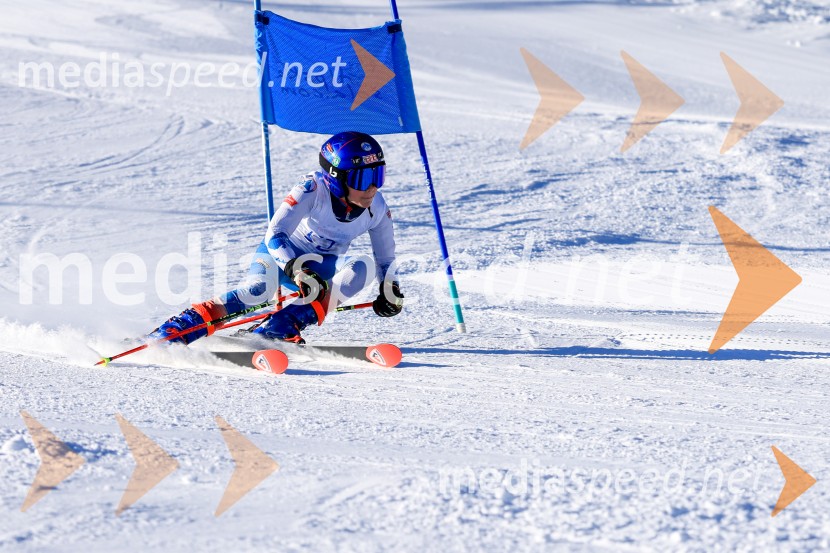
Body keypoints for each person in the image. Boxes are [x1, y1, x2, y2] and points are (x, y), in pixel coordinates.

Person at [149, 131, 404, 344]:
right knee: (257, 291)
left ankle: (281, 326)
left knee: (363, 267)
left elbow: (385, 258)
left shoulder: (377, 208)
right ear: (336, 178)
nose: (372, 188)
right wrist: (296, 270)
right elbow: (275, 234)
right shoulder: (312, 190)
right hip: (282, 256)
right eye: (363, 178)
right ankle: (177, 330)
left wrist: (389, 288)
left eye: (377, 176)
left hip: (321, 266)